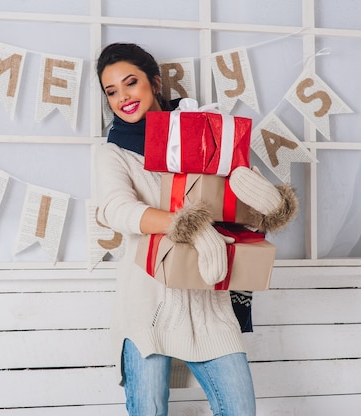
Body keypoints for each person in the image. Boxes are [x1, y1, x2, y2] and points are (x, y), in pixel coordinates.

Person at [94, 42, 267, 416]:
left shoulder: (203, 136)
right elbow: (116, 209)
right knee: (149, 410)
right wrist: (186, 226)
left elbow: (239, 205)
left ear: (155, 83)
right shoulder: (113, 152)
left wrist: (266, 201)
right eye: (112, 91)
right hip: (147, 306)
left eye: (131, 83)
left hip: (209, 304)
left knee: (240, 410)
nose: (122, 97)